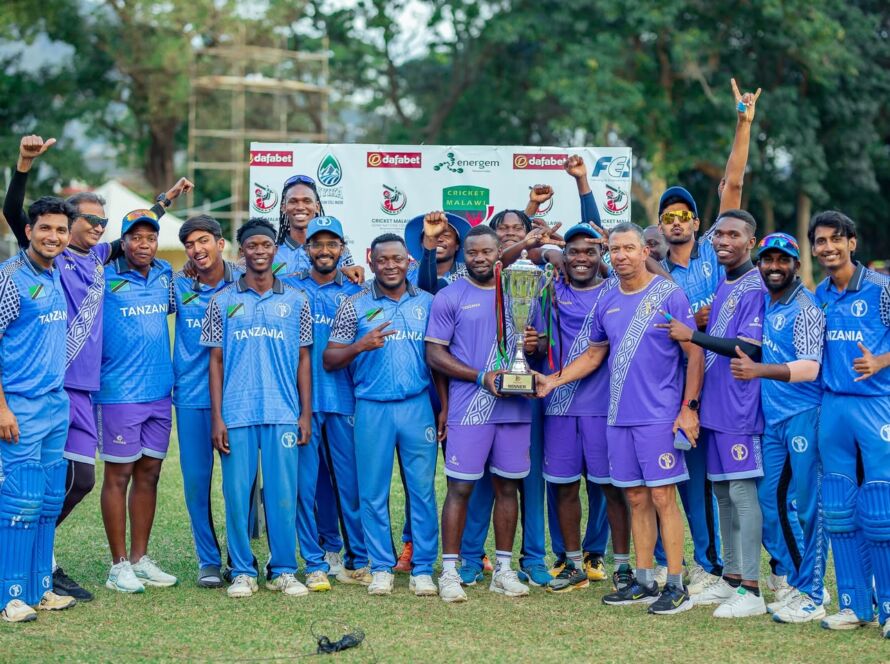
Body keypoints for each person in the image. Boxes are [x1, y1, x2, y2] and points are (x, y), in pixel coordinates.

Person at [2, 134, 191, 601]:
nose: (97, 228)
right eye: (89, 220)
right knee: (53, 481)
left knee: (76, 480)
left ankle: (40, 557)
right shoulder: (57, 256)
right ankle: (34, 559)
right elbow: (14, 213)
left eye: (102, 223)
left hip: (86, 389)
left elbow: (135, 234)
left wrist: (165, 200)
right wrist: (24, 165)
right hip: (49, 385)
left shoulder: (101, 258)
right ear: (67, 225)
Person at [537, 222, 703, 615]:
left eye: (629, 248)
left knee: (662, 497)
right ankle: (643, 581)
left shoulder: (668, 294)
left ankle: (675, 584)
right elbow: (595, 354)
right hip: (617, 416)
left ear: (645, 251)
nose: (622, 255)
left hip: (659, 417)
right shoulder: (607, 298)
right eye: (615, 249)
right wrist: (552, 380)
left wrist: (689, 408)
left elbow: (694, 352)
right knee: (635, 497)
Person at [654, 80, 761, 593]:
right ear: (660, 226)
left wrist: (743, 125)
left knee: (726, 479)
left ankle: (726, 564)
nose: (677, 222)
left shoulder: (714, 257)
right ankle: (702, 561)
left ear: (700, 223)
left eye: (685, 216)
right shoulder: (652, 270)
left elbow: (732, 185)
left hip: (721, 378)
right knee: (687, 476)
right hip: (670, 383)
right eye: (668, 217)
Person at [660, 209, 767, 618]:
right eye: (719, 234)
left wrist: (693, 336)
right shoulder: (726, 281)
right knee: (722, 492)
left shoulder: (755, 285)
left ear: (750, 242)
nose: (724, 241)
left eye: (734, 235)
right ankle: (732, 577)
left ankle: (752, 589)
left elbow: (749, 348)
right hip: (717, 405)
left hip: (741, 406)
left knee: (741, 494)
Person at [426, 225, 541, 602]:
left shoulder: (520, 290)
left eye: (486, 251)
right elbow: (434, 354)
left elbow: (536, 345)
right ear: (464, 255)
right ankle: (449, 571)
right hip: (469, 407)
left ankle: (503, 570)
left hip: (513, 407)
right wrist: (479, 376)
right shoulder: (450, 295)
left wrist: (534, 344)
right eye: (472, 252)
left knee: (508, 487)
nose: (479, 258)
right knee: (459, 488)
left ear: (498, 253)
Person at [202, 218, 313, 599]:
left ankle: (283, 569)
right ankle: (242, 571)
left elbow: (304, 359)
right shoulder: (222, 301)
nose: (260, 251)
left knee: (283, 495)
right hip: (237, 412)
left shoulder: (296, 300)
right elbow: (215, 362)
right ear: (242, 251)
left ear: (274, 250)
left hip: (282, 411)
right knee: (236, 495)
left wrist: (304, 413)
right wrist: (217, 417)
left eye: (266, 245)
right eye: (253, 245)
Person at [324, 233, 438, 597]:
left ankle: (423, 568)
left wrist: (446, 408)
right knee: (372, 493)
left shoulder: (427, 303)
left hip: (416, 405)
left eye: (397, 259)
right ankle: (381, 567)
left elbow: (439, 358)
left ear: (408, 262)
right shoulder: (353, 305)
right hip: (372, 406)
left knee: (422, 491)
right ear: (371, 261)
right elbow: (330, 358)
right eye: (383, 260)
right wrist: (360, 345)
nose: (391, 266)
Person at [729, 232, 828, 623]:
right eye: (767, 260)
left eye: (782, 260)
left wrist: (757, 370)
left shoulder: (805, 307)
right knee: (770, 504)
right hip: (774, 421)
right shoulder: (769, 303)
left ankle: (812, 593)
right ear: (759, 265)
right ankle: (798, 583)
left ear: (796, 265)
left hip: (803, 416)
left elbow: (810, 368)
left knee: (806, 508)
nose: (774, 266)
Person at [536, 224, 633, 594]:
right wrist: (550, 252)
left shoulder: (615, 290)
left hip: (603, 406)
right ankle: (573, 564)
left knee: (611, 489)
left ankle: (621, 565)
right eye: (573, 252)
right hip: (558, 406)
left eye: (589, 252)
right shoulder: (550, 289)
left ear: (601, 256)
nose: (581, 259)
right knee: (564, 488)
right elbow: (536, 255)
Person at [809, 211, 890, 635]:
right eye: (821, 241)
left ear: (852, 243)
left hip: (876, 405)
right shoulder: (819, 294)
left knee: (881, 507)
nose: (828, 247)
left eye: (836, 239)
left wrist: (881, 361)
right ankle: (854, 604)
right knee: (838, 507)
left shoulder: (881, 288)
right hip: (833, 405)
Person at [0, 197, 76, 622]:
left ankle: (39, 588)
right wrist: (1, 408)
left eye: (61, 230)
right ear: (28, 231)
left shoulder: (55, 273)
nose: (54, 236)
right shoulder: (10, 277)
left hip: (54, 402)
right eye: (45, 228)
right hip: (19, 405)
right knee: (20, 500)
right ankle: (9, 596)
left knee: (47, 501)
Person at [283, 216, 369, 590]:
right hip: (300, 404)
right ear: (306, 249)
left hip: (344, 400)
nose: (324, 250)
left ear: (342, 249)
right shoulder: (289, 287)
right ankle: (315, 561)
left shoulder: (356, 291)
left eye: (332, 244)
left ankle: (358, 560)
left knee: (350, 485)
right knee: (303, 488)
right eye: (317, 243)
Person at [96, 210, 178, 593]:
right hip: (118, 393)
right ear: (123, 241)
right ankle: (118, 566)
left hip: (159, 392)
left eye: (150, 237)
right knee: (119, 476)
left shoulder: (165, 274)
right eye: (135, 238)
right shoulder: (102, 275)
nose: (144, 244)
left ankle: (139, 559)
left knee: (150, 474)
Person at [170, 214, 238, 588]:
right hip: (192, 398)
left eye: (203, 241)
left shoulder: (244, 281)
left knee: (238, 484)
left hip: (238, 400)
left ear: (220, 243)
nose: (197, 249)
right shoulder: (178, 285)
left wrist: (348, 267)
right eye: (190, 244)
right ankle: (208, 560)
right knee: (197, 483)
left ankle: (239, 558)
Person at [273, 174, 363, 284]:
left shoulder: (339, 250)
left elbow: (350, 284)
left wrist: (345, 272)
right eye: (293, 201)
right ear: (283, 207)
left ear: (317, 207)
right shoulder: (272, 252)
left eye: (307, 201)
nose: (300, 207)